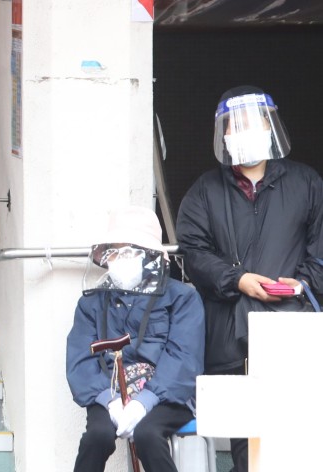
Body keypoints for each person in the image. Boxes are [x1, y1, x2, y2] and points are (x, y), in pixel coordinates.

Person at [177, 85, 323, 472]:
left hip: (291, 330)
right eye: (235, 125)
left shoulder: (306, 183)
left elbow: (321, 249)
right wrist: (237, 279)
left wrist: (301, 283)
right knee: (244, 443)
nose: (245, 132)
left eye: (253, 122)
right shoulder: (205, 191)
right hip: (229, 335)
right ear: (224, 134)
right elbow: (194, 252)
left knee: (296, 438)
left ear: (270, 126)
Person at [67, 206, 204, 472]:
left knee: (148, 435)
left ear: (150, 255)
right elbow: (80, 359)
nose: (121, 259)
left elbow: (185, 357)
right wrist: (108, 400)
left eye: (130, 251)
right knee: (97, 436)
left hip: (168, 395)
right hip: (110, 391)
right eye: (115, 252)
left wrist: (144, 402)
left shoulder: (182, 298)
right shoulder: (91, 304)